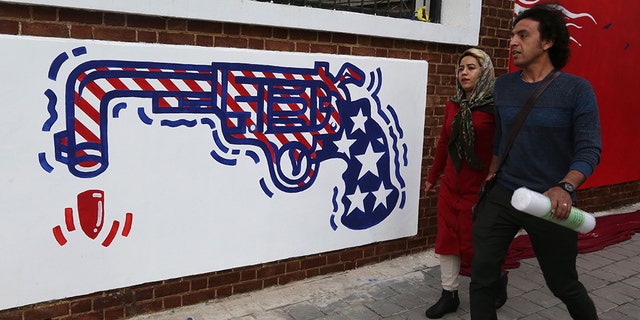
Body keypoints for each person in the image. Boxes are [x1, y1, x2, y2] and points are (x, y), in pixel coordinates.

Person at [469, 3, 602, 320]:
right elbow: (502, 139)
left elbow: (589, 149)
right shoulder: (502, 86)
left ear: (548, 41)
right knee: (482, 277)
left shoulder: (577, 90)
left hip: (550, 201)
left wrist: (565, 187)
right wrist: (492, 172)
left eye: (523, 35)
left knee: (563, 284)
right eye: (512, 35)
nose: (512, 42)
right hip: (504, 193)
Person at [424, 48, 506, 319]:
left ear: (485, 72)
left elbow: (502, 147)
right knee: (446, 238)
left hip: (480, 187)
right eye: (461, 68)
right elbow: (444, 144)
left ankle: (497, 279)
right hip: (451, 183)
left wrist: (496, 176)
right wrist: (433, 176)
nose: (464, 73)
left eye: (471, 67)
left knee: (476, 242)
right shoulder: (453, 105)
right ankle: (449, 294)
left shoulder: (496, 108)